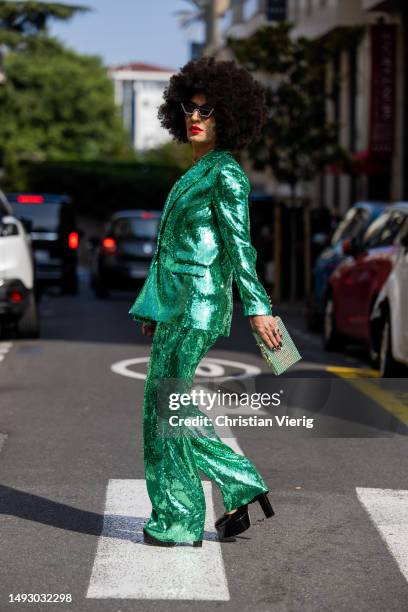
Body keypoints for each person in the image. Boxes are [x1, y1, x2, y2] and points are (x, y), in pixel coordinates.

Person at [128, 56, 283, 547]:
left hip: (199, 304)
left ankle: (192, 509)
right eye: (190, 109)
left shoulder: (226, 175)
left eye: (208, 110)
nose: (196, 117)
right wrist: (154, 307)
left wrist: (258, 308)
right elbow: (169, 250)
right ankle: (222, 494)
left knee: (165, 409)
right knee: (164, 409)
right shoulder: (198, 170)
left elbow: (240, 248)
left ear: (228, 117)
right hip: (176, 305)